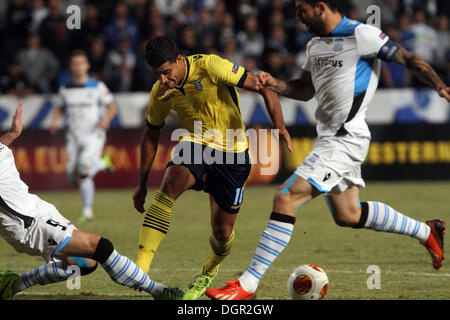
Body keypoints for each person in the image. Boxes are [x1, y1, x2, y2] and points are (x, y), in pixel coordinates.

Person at [206, 0, 449, 300]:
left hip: (345, 138)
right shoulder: (314, 46)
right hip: (329, 138)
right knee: (348, 214)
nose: (297, 16)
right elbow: (305, 89)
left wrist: (440, 86)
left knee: (285, 198)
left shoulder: (362, 34)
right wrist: (276, 84)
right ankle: (427, 232)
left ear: (321, 7)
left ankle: (248, 284)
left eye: (301, 10)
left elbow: (409, 59)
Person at [132, 36, 291, 300]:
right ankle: (139, 270)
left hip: (233, 152)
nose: (163, 80)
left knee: (222, 232)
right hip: (194, 142)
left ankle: (209, 270)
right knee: (168, 188)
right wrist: (141, 183)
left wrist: (280, 126)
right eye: (157, 75)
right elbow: (151, 134)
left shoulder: (211, 66)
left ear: (179, 61)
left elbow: (264, 86)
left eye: (166, 72)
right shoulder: (160, 91)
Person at [0, 101, 184, 300]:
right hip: (27, 224)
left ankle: (14, 284)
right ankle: (158, 290)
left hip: (38, 208)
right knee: (101, 247)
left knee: (85, 263)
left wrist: (12, 135)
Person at [50, 50, 117, 224]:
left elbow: (112, 107)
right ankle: (103, 163)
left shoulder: (97, 86)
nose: (78, 67)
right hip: (73, 136)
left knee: (84, 168)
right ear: (71, 67)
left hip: (93, 134)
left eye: (81, 63)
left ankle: (87, 211)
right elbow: (58, 107)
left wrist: (106, 120)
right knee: (73, 176)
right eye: (75, 63)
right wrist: (55, 121)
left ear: (87, 66)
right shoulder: (65, 89)